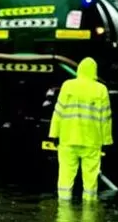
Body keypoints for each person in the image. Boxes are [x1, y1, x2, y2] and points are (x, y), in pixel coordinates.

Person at [48, 57, 113, 202]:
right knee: (90, 179)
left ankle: (63, 209)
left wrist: (53, 134)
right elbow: (106, 118)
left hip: (67, 140)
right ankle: (89, 211)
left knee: (65, 176)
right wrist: (107, 142)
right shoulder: (101, 90)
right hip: (92, 142)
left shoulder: (68, 86)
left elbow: (58, 112)